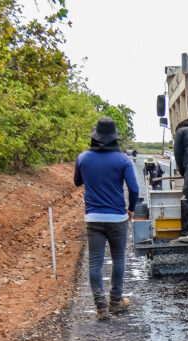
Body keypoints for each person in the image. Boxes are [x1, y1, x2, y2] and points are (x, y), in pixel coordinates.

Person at [74, 117, 139, 321]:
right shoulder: (122, 160)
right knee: (118, 258)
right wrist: (131, 209)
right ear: (114, 139)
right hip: (118, 218)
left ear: (94, 138)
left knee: (95, 261)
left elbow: (77, 182)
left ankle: (101, 306)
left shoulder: (83, 158)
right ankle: (116, 301)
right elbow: (134, 189)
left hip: (93, 217)